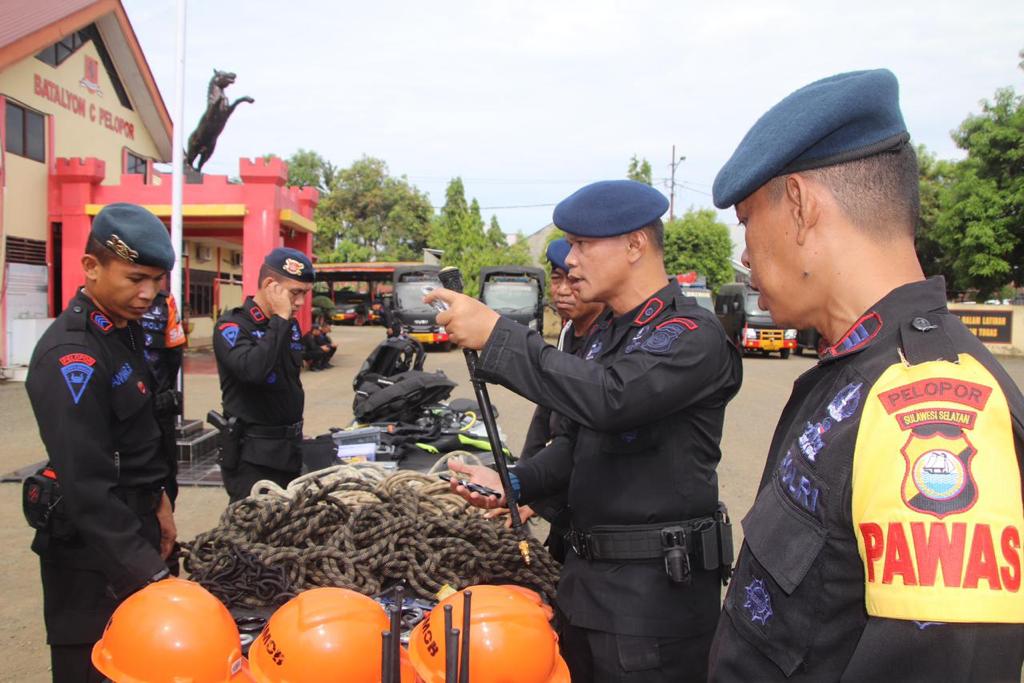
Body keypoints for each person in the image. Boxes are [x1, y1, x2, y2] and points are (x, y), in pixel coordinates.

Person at [706, 69, 1024, 681]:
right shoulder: (856, 372)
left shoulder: (929, 402)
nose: (744, 254)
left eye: (746, 221)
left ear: (799, 205)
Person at [426, 180, 743, 682]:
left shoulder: (690, 335)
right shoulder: (605, 337)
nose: (570, 261)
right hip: (586, 590)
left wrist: (498, 336)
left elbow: (612, 399)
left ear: (635, 245)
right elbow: (577, 444)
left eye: (582, 245)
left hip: (653, 605)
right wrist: (514, 482)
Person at [25, 203, 178, 682]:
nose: (149, 293)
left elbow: (137, 439)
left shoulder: (120, 332)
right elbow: (86, 484)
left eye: (157, 280)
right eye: (136, 278)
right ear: (91, 267)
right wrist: (149, 574)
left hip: (133, 528)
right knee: (94, 667)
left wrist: (160, 501)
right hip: (93, 558)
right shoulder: (73, 354)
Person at [504, 238, 605, 562]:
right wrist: (520, 484)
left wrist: (536, 497)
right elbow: (544, 412)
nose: (561, 290)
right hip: (562, 501)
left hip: (591, 511)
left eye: (572, 280)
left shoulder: (610, 341)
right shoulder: (567, 333)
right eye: (557, 279)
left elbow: (580, 444)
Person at [213, 247, 314, 502]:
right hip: (253, 457)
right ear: (270, 286)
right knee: (253, 524)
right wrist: (280, 319)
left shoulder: (288, 326)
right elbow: (253, 371)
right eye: (295, 292)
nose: (300, 302)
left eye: (305, 293)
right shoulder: (233, 326)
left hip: (289, 449)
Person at [139, 289, 186, 504]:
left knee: (165, 479)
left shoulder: (164, 302)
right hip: (124, 413)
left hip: (158, 408)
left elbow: (174, 352)